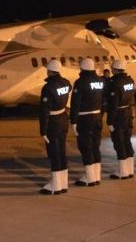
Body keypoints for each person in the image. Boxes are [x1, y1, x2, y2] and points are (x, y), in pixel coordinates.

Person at [38, 59, 71, 195]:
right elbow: (68, 89)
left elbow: (44, 111)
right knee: (62, 151)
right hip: (63, 118)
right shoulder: (66, 83)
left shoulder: (48, 87)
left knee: (54, 152)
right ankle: (63, 182)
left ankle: (56, 185)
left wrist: (43, 130)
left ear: (50, 70)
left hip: (53, 122)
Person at [70, 58, 104, 186]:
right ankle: (96, 175)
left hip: (85, 118)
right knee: (95, 146)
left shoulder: (80, 82)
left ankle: (89, 177)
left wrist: (73, 120)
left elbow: (75, 103)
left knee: (86, 147)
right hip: (97, 116)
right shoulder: (99, 80)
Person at [105, 60, 135, 180]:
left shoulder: (114, 83)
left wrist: (110, 121)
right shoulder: (129, 80)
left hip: (118, 115)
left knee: (119, 142)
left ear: (116, 69)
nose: (111, 70)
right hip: (127, 112)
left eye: (112, 69)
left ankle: (123, 171)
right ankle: (130, 169)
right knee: (127, 141)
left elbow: (113, 105)